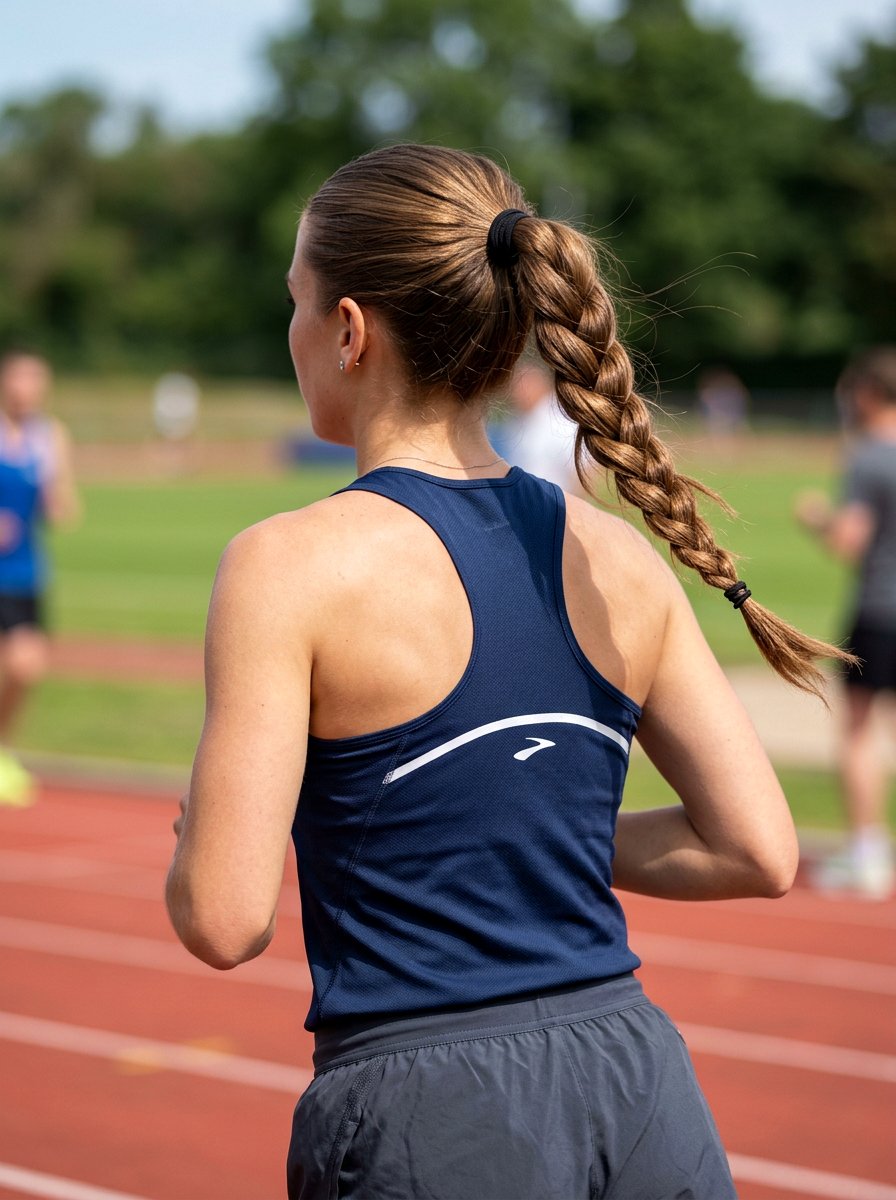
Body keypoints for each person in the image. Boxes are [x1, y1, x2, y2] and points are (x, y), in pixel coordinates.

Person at [166, 145, 849, 1199]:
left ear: (347, 330)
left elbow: (221, 918)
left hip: (431, 1115)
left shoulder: (285, 565)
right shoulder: (618, 558)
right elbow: (757, 849)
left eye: (295, 301)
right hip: (640, 1092)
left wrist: (195, 846)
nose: (290, 329)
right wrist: (520, 825)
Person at [796, 347, 896, 899]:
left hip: (882, 610)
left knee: (858, 732)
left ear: (869, 393)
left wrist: (817, 518)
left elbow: (848, 540)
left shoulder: (868, 457)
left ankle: (867, 855)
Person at [0, 351, 79, 806]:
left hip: (24, 574)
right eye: (18, 379)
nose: (24, 389)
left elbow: (60, 499)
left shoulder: (48, 436)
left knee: (26, 667)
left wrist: (58, 501)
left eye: (33, 381)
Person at [505, 359, 579, 490]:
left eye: (526, 385)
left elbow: (578, 470)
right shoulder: (519, 421)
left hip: (557, 498)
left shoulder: (560, 420)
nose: (519, 393)